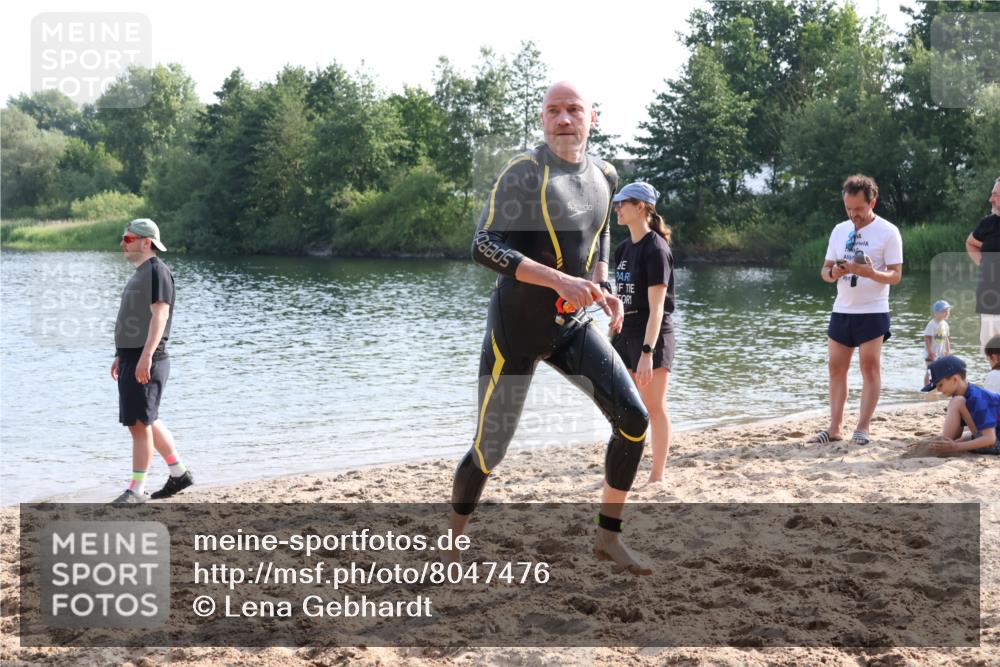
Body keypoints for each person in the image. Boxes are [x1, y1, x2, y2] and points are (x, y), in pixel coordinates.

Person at [450, 81, 651, 574]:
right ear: (542, 119)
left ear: (592, 118)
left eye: (574, 110)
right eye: (554, 110)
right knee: (490, 449)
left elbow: (599, 236)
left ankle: (608, 537)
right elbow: (483, 245)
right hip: (516, 330)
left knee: (633, 420)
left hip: (570, 325)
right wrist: (561, 279)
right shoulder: (524, 173)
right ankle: (452, 544)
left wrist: (601, 285)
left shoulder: (605, 175)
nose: (564, 119)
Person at [811, 175, 903, 446]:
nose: (853, 215)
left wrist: (871, 272)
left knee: (869, 367)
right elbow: (824, 271)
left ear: (872, 202)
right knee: (835, 368)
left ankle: (863, 428)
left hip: (873, 310)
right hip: (842, 310)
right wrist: (833, 272)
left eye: (859, 209)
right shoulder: (839, 230)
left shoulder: (888, 231)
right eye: (848, 208)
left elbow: (896, 275)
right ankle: (835, 428)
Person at [111, 218, 193, 504]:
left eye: (128, 239)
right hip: (131, 357)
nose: (122, 243)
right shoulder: (141, 273)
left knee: (139, 424)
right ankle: (178, 473)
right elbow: (135, 317)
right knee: (146, 419)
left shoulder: (157, 271)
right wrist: (120, 355)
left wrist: (146, 356)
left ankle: (136, 490)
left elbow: (161, 315)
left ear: (146, 242)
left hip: (146, 358)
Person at [609, 181, 674, 484]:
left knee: (654, 408)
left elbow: (657, 309)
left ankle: (657, 477)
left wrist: (647, 353)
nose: (617, 208)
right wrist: (612, 324)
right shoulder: (623, 249)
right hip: (624, 333)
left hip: (652, 335)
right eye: (616, 203)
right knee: (622, 409)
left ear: (641, 207)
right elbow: (622, 298)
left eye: (622, 203)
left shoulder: (656, 249)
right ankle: (620, 471)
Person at [911, 355, 1000, 456]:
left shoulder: (978, 398)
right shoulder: (963, 395)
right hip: (994, 435)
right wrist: (932, 442)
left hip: (995, 441)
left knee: (957, 402)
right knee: (963, 433)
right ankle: (941, 445)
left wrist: (955, 447)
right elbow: (957, 434)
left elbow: (990, 439)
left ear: (955, 379)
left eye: (940, 385)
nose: (938, 390)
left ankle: (942, 447)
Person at [965, 177, 1000, 349]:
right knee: (989, 348)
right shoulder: (988, 223)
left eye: (995, 195)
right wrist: (983, 264)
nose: (990, 199)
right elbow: (971, 243)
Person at [922, 300, 952, 388]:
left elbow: (946, 338)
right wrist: (930, 352)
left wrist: (948, 350)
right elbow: (927, 338)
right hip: (931, 353)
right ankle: (927, 387)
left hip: (941, 353)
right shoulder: (932, 324)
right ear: (936, 313)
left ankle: (937, 386)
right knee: (930, 371)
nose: (947, 313)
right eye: (944, 311)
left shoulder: (945, 324)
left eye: (948, 311)